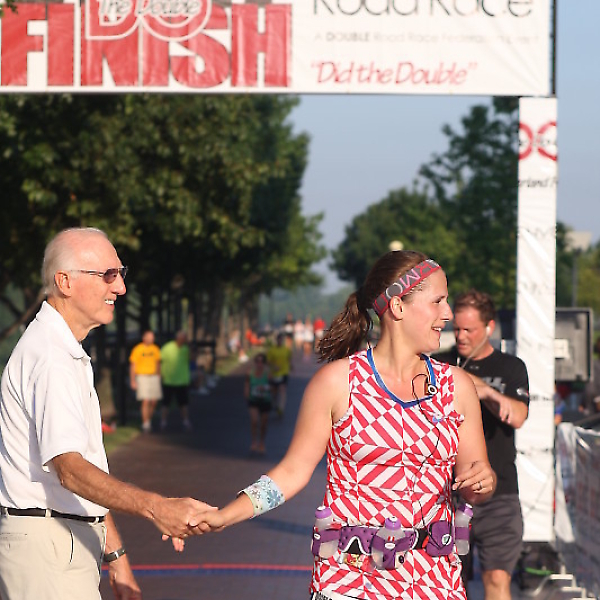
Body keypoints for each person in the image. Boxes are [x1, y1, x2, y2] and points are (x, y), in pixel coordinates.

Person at [186, 250, 497, 599]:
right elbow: (292, 472)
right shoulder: (337, 382)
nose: (448, 313)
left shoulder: (457, 386)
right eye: (438, 301)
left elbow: (475, 482)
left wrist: (483, 481)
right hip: (348, 582)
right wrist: (225, 516)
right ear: (398, 306)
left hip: (434, 581)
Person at [0, 228, 214, 600]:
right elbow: (70, 470)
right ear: (64, 282)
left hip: (59, 543)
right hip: (48, 549)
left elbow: (85, 470)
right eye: (108, 275)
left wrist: (116, 557)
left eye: (121, 274)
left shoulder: (62, 351)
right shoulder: (51, 358)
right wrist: (157, 508)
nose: (121, 288)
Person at [433, 289, 529, 600]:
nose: (461, 336)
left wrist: (487, 392)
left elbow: (518, 416)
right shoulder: (440, 364)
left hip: (499, 494)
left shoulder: (510, 367)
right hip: (446, 495)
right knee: (449, 585)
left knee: (498, 579)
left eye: (469, 330)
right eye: (457, 328)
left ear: (489, 327)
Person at [129, 329, 162, 432]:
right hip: (142, 376)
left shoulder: (155, 349)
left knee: (154, 401)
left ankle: (148, 419)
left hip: (153, 376)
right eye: (149, 337)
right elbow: (133, 365)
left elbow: (158, 363)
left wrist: (159, 375)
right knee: (145, 400)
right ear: (144, 338)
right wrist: (133, 380)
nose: (151, 339)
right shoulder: (138, 349)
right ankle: (145, 423)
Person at [160, 331, 192, 431]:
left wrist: (191, 347)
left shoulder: (186, 349)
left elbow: (192, 358)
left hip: (182, 381)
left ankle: (186, 421)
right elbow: (160, 361)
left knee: (183, 403)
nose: (184, 340)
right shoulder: (167, 348)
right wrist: (161, 375)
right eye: (184, 338)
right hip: (169, 380)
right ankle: (163, 422)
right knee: (166, 403)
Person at [244, 353, 272, 454]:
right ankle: (254, 442)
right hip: (253, 400)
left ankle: (261, 442)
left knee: (263, 424)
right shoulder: (250, 373)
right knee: (254, 421)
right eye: (258, 361)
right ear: (255, 362)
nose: (260, 364)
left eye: (262, 362)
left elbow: (272, 387)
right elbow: (247, 385)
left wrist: (265, 388)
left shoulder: (268, 373)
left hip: (265, 400)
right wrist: (247, 396)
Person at [266, 331, 293, 417]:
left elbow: (289, 359)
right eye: (279, 340)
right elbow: (268, 361)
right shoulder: (272, 350)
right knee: (274, 391)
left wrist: (290, 366)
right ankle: (276, 405)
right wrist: (273, 366)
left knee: (282, 390)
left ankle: (281, 408)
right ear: (276, 340)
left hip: (284, 372)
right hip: (274, 373)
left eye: (281, 340)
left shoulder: (286, 350)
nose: (280, 341)